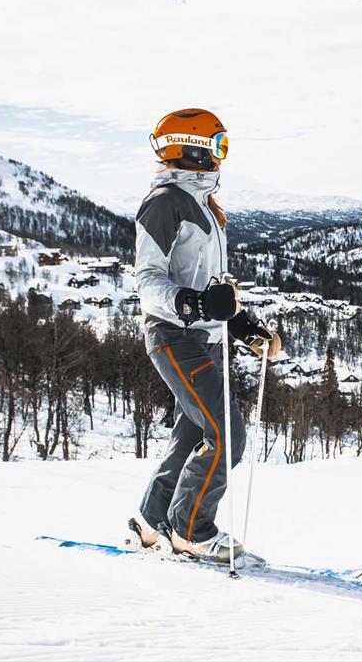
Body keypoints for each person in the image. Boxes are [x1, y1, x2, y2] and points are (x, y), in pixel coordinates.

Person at [126, 108, 281, 563]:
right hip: (175, 336)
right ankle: (191, 531)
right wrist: (192, 306)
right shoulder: (165, 202)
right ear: (191, 148)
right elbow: (148, 281)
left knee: (193, 435)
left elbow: (212, 286)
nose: (221, 157)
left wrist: (240, 324)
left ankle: (151, 523)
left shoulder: (202, 206)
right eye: (219, 146)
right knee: (226, 434)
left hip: (205, 339)